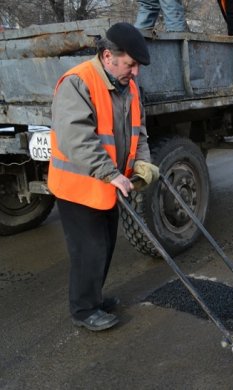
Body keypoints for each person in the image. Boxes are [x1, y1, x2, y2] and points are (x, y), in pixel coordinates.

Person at [49, 22, 160, 331]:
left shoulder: (130, 87)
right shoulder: (78, 82)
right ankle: (84, 310)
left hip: (107, 186)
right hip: (79, 187)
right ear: (108, 56)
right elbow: (76, 139)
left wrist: (142, 165)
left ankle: (94, 297)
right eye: (131, 64)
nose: (135, 72)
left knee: (106, 245)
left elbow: (140, 132)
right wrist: (111, 174)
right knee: (89, 249)